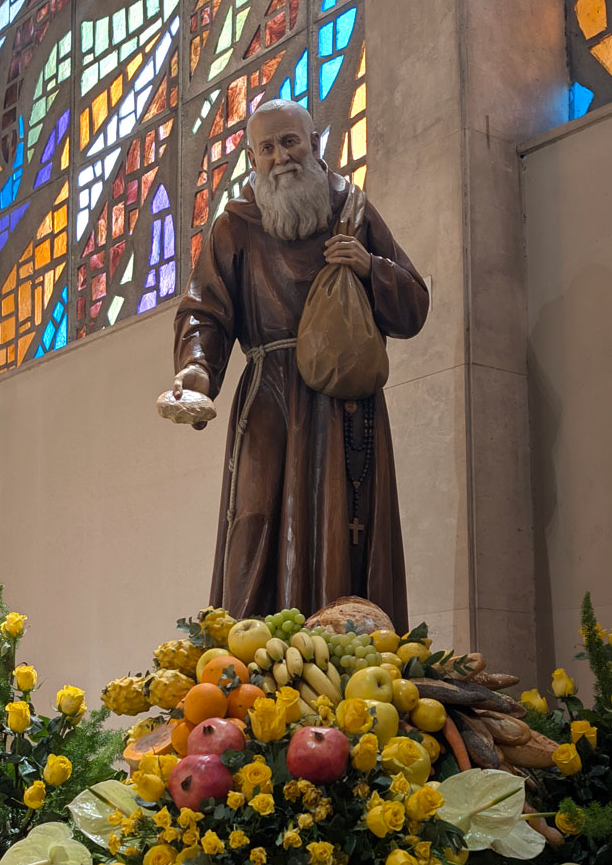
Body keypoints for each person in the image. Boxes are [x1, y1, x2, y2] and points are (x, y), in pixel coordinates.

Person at [169, 99, 429, 628]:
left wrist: (370, 268)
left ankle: (346, 657)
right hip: (269, 398)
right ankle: (252, 665)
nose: (280, 157)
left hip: (345, 401)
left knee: (345, 526)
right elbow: (206, 312)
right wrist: (197, 369)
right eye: (266, 148)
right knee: (256, 523)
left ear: (314, 143)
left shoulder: (351, 209)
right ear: (251, 157)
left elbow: (414, 306)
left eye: (290, 141)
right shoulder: (235, 225)